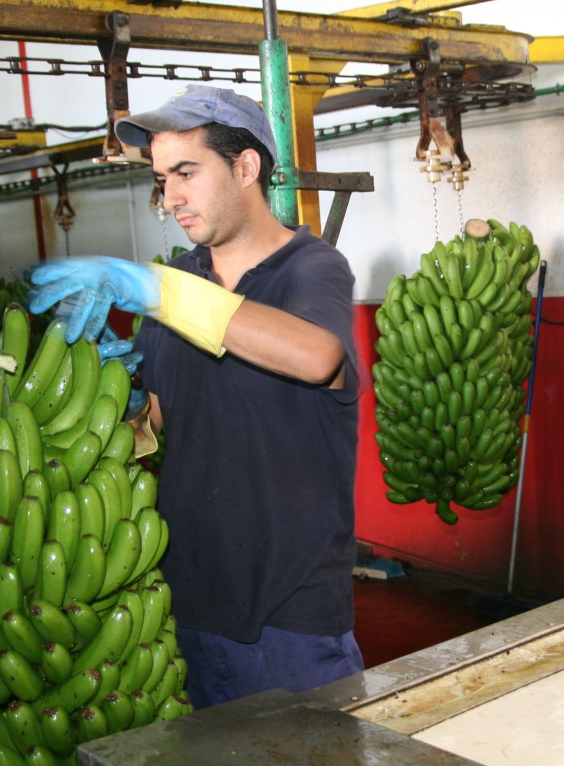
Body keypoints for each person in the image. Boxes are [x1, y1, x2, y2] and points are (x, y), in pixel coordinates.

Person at [28, 84, 363, 708]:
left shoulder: (311, 269)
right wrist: (117, 395)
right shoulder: (181, 280)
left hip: (286, 612)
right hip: (183, 602)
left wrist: (147, 290)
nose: (171, 197)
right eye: (162, 179)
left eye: (186, 172)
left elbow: (317, 358)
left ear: (246, 167)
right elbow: (155, 425)